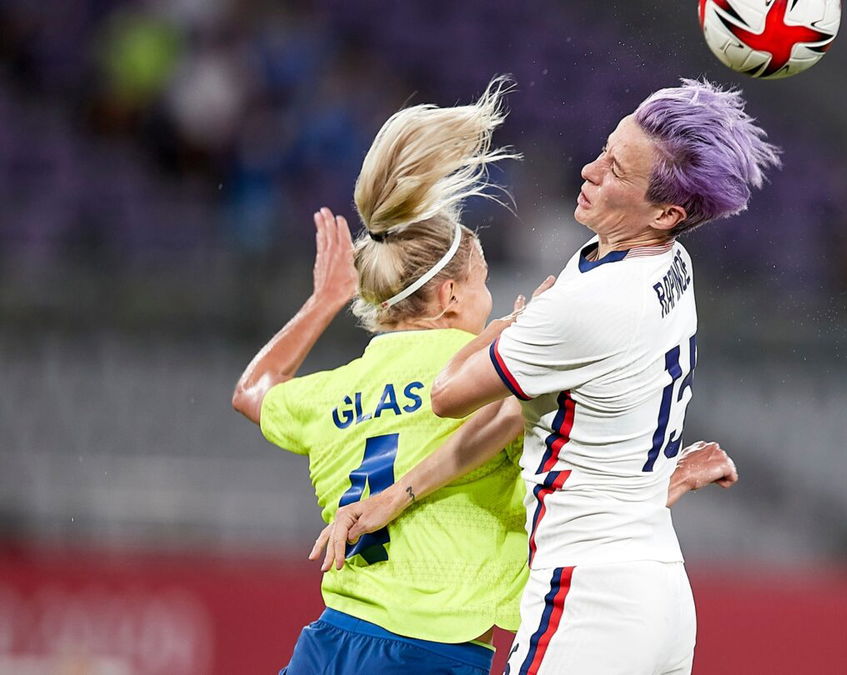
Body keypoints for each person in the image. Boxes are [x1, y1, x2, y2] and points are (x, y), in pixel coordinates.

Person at [233, 80, 739, 675]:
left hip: (341, 635)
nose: (590, 168)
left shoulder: (336, 389)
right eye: (483, 281)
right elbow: (552, 452)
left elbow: (252, 392)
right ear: (451, 295)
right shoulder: (658, 273)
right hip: (460, 645)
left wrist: (326, 299)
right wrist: (509, 326)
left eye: (616, 166)